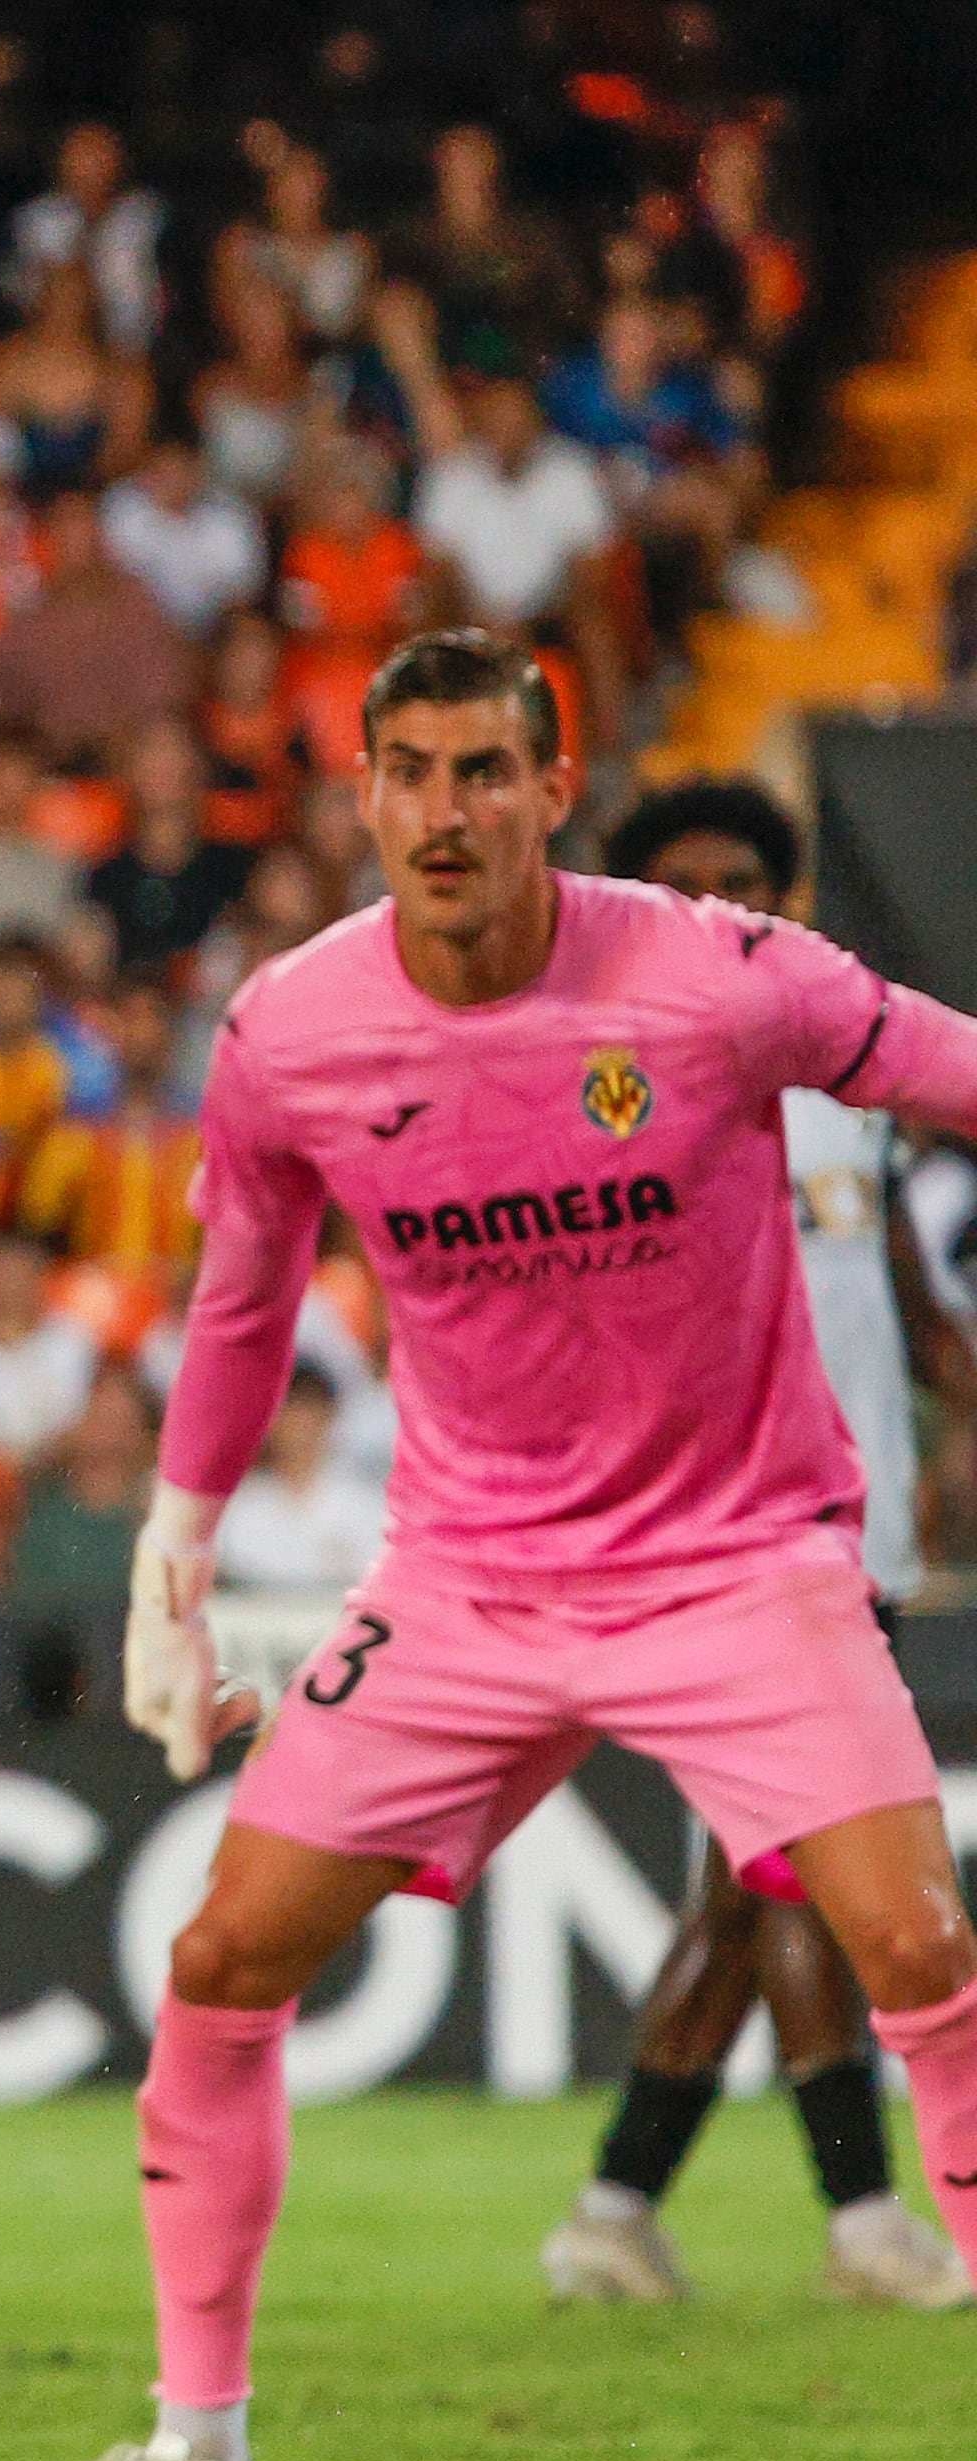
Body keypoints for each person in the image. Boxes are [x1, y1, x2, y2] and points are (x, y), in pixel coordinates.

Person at [59, 631, 977, 2461]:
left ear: (556, 789)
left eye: (486, 771)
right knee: (223, 1966)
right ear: (363, 792)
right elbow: (237, 1301)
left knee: (918, 1950)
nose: (445, 812)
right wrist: (175, 1547)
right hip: (468, 1580)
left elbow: (947, 1068)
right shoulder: (294, 1030)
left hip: (739, 1558)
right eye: (409, 771)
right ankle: (197, 2455)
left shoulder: (716, 978)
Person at [535, 778, 970, 2310]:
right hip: (728, 1531)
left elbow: (907, 1297)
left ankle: (611, 2205)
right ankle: (860, 2218)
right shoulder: (612, 1089)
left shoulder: (847, 1077)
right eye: (687, 884)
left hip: (857, 1537)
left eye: (749, 883)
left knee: (752, 1881)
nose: (726, 909)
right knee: (792, 1874)